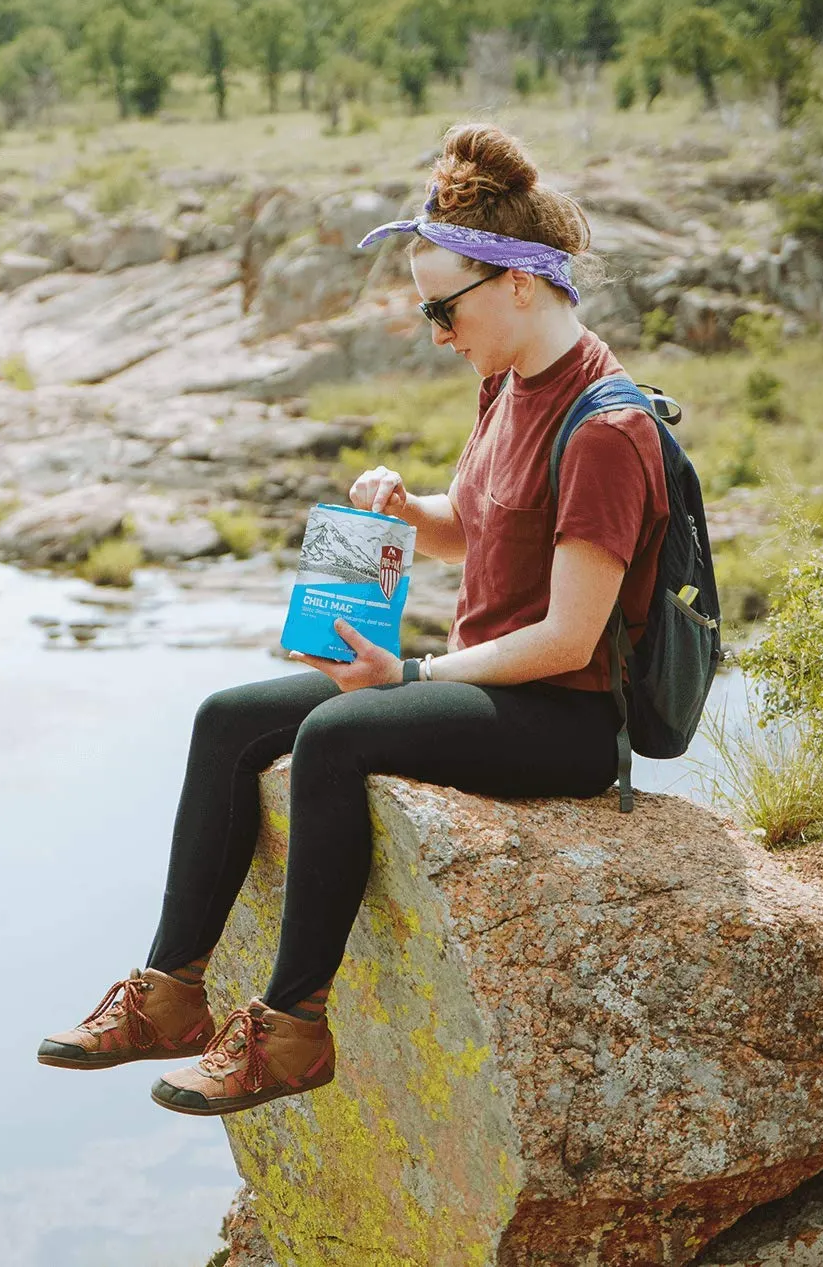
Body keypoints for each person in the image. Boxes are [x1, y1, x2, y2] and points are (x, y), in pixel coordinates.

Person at [35, 122, 671, 1118]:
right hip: (488, 678)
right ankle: (167, 996)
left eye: (441, 305)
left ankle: (291, 1029)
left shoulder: (608, 426)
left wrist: (409, 681)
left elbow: (568, 637)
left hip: (565, 715)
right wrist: (406, 511)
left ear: (516, 283)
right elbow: (477, 530)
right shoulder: (504, 381)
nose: (433, 331)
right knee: (227, 716)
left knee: (335, 732)